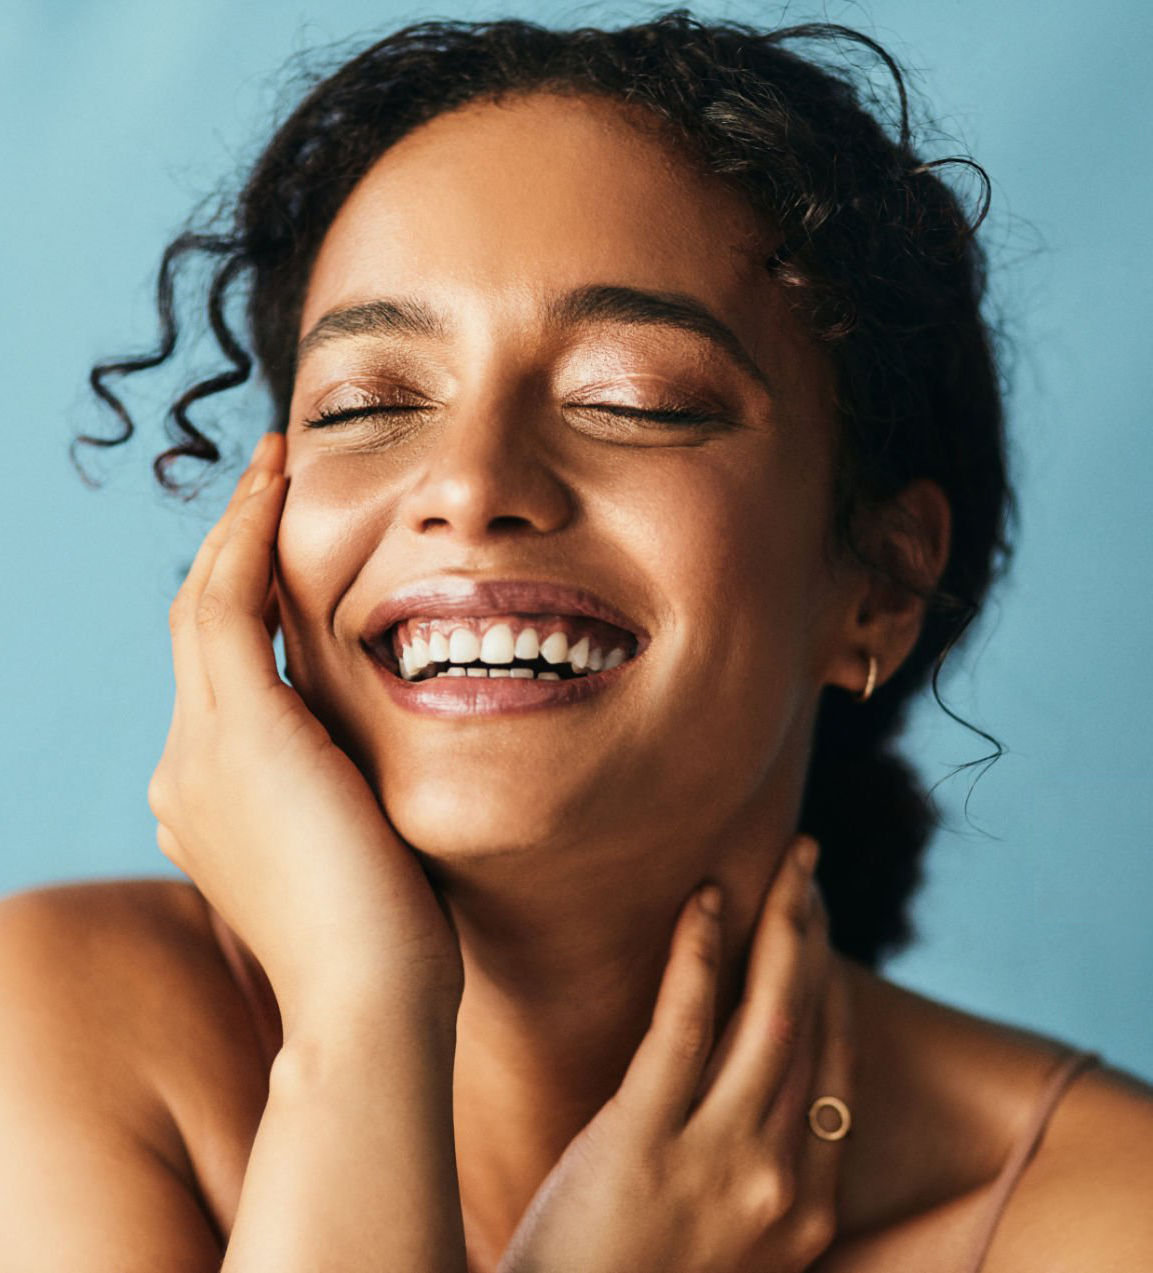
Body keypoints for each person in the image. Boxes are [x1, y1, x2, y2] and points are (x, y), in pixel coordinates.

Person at [1, 10, 1150, 1270]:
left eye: (631, 400)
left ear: (878, 580)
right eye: (369, 401)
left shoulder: (1105, 1216)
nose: (470, 480)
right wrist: (359, 1015)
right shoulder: (62, 1025)